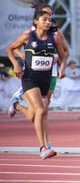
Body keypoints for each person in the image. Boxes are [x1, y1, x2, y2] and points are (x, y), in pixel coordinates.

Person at [6, 9, 67, 159]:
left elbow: (63, 55)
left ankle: (17, 105)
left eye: (50, 20)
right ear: (36, 22)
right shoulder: (28, 36)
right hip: (30, 78)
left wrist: (62, 69)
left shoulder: (55, 37)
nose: (48, 22)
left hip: (45, 79)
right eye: (44, 19)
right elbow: (10, 48)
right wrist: (16, 64)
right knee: (40, 110)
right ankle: (43, 148)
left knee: (37, 114)